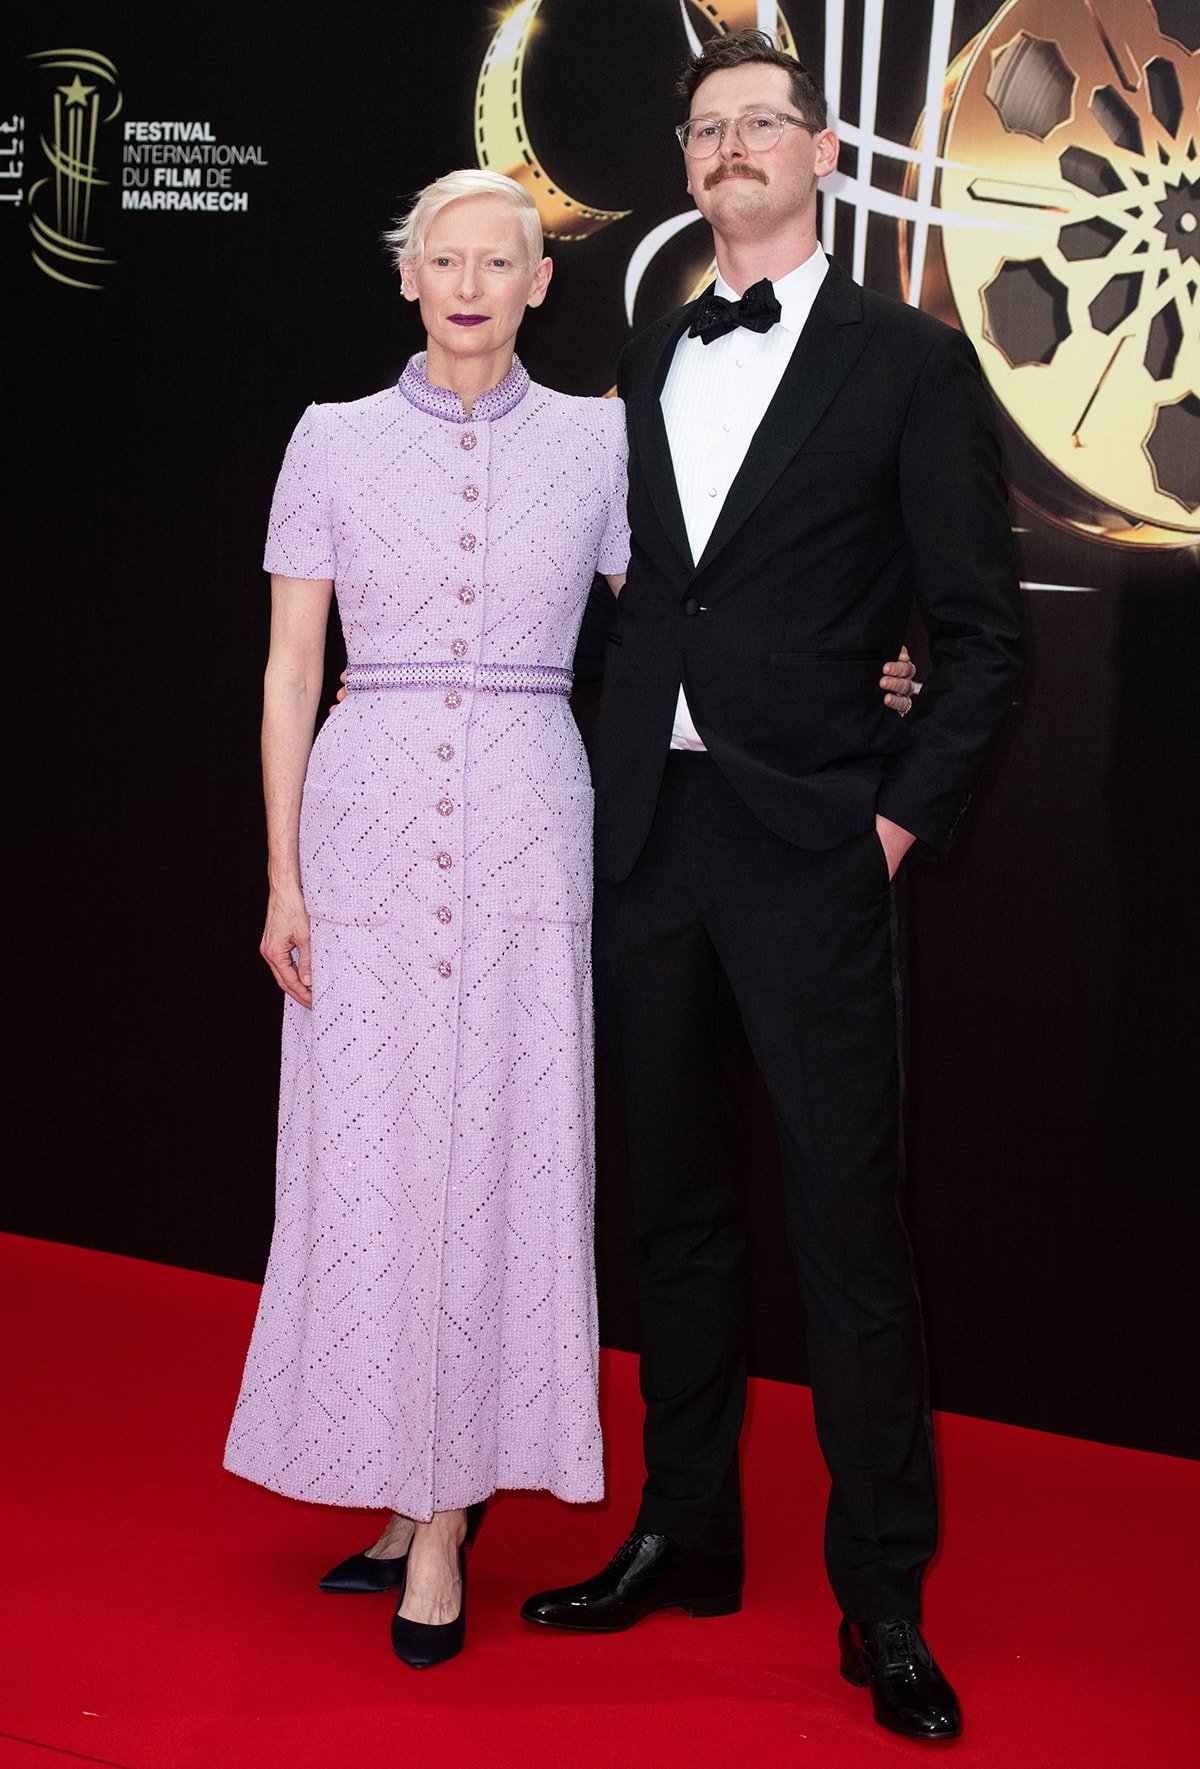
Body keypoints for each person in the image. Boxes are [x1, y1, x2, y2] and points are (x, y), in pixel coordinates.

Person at [226, 166, 915, 1669]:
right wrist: (283, 874)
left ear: (544, 283)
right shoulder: (329, 439)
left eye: (502, 261)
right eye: (442, 260)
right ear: (408, 278)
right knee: (370, 1154)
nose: (469, 283)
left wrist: (860, 664)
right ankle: (399, 1487)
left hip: (542, 824)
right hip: (368, 818)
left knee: (498, 1150)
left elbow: (702, 606)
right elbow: (290, 667)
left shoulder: (606, 441)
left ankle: (450, 1522)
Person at [520, 32, 1023, 1743]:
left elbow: (981, 637)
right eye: (707, 127)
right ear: (685, 160)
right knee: (674, 1215)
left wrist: (891, 824)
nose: (732, 146)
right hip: (645, 836)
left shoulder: (908, 358)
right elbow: (657, 591)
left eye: (761, 125)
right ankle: (687, 1528)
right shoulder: (649, 340)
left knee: (849, 1237)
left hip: (812, 844)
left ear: (818, 151)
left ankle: (883, 1601)